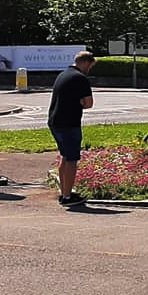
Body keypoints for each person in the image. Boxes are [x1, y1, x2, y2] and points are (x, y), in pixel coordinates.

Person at [48, 51, 97, 207]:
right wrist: (80, 102)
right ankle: (68, 197)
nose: (89, 69)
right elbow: (88, 103)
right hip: (69, 123)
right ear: (86, 63)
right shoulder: (81, 78)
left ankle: (65, 192)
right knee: (72, 160)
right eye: (90, 66)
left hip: (55, 121)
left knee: (64, 156)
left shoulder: (63, 74)